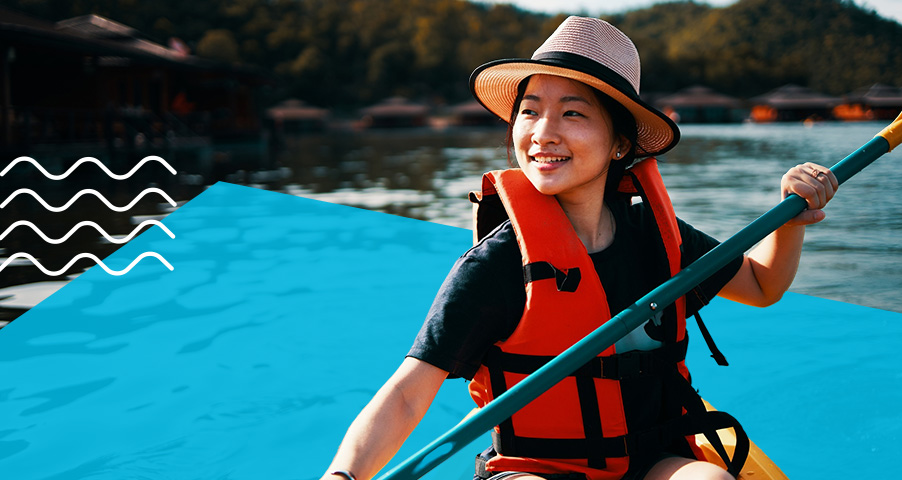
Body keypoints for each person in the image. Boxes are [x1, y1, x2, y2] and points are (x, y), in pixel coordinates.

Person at [321, 16, 838, 480]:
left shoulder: (654, 236)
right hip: (534, 467)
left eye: (573, 114)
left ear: (619, 144)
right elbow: (410, 391)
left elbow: (763, 284)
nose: (543, 133)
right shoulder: (499, 264)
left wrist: (792, 217)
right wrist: (343, 476)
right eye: (529, 111)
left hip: (654, 460)